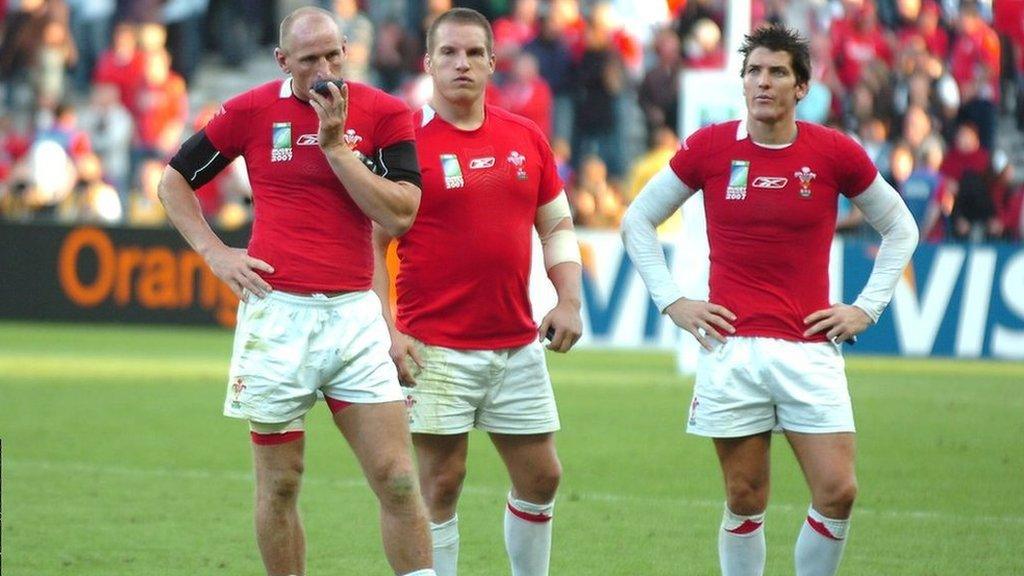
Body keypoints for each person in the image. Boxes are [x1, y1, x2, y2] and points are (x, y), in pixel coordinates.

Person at [621, 25, 919, 576]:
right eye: (754, 71)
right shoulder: (709, 147)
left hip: (809, 349)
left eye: (777, 71)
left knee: (839, 491)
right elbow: (637, 220)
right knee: (745, 497)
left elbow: (901, 227)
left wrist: (867, 308)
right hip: (730, 349)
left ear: (801, 86)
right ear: (742, 81)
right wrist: (673, 302)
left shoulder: (833, 152)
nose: (763, 81)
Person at [156, 7, 436, 576]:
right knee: (281, 486)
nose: (326, 67)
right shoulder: (251, 110)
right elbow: (173, 180)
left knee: (399, 479)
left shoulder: (384, 113)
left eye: (334, 53)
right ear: (284, 62)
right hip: (276, 319)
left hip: (355, 318)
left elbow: (403, 213)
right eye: (310, 59)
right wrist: (216, 252)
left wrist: (337, 149)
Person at [372, 8, 582, 576]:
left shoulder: (526, 137)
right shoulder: (403, 144)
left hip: (516, 343)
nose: (461, 63)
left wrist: (568, 300)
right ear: (428, 63)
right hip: (433, 346)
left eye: (472, 53)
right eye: (448, 53)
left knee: (543, 477)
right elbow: (370, 245)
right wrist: (387, 330)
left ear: (493, 61)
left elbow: (557, 226)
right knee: (442, 482)